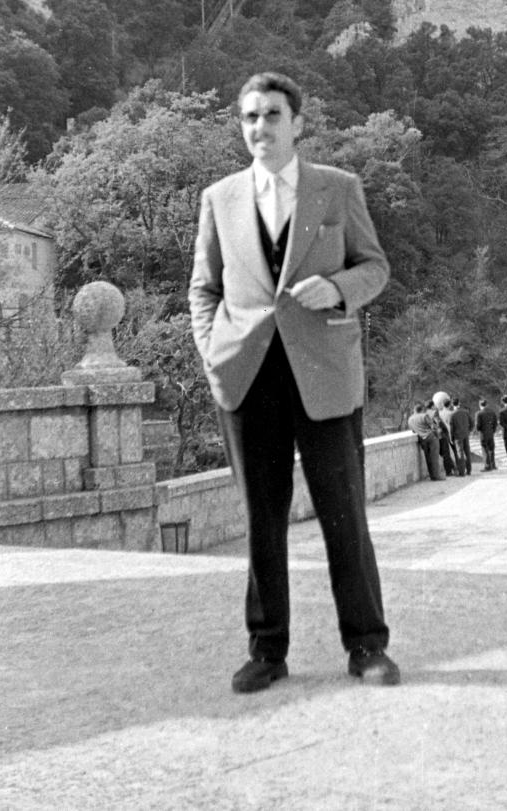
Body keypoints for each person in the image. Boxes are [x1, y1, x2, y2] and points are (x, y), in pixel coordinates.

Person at [189, 71, 399, 692]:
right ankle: (267, 649)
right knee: (262, 518)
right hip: (246, 377)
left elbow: (376, 267)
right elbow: (204, 288)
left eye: (272, 116)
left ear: (297, 123)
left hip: (325, 375)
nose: (260, 127)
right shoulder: (218, 198)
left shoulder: (337, 189)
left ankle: (367, 647)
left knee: (344, 514)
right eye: (250, 117)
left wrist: (337, 288)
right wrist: (211, 352)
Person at [408, 402, 443, 480]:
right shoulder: (424, 416)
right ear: (422, 410)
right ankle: (437, 476)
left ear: (414, 410)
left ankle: (432, 476)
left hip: (422, 439)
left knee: (428, 458)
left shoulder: (410, 419)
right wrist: (437, 433)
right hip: (431, 437)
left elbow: (413, 431)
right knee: (434, 457)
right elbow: (433, 427)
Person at [432, 391, 459, 476]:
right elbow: (444, 425)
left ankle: (452, 469)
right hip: (445, 435)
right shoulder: (448, 414)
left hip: (438, 436)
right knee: (450, 453)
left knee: (445, 454)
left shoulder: (437, 413)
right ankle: (454, 469)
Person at [450, 396, 473, 476]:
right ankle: (469, 470)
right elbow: (472, 422)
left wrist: (451, 437)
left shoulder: (452, 414)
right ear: (459, 403)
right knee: (467, 452)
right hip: (466, 434)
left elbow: (451, 428)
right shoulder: (466, 412)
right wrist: (469, 430)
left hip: (457, 436)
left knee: (460, 453)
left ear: (452, 404)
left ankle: (462, 472)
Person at [475, 399, 498, 470]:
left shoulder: (479, 413)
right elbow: (495, 423)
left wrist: (478, 430)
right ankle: (493, 465)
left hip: (483, 433)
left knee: (485, 449)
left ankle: (487, 466)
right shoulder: (492, 412)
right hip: (491, 432)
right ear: (486, 404)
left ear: (480, 405)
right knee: (491, 449)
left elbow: (478, 425)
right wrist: (493, 430)